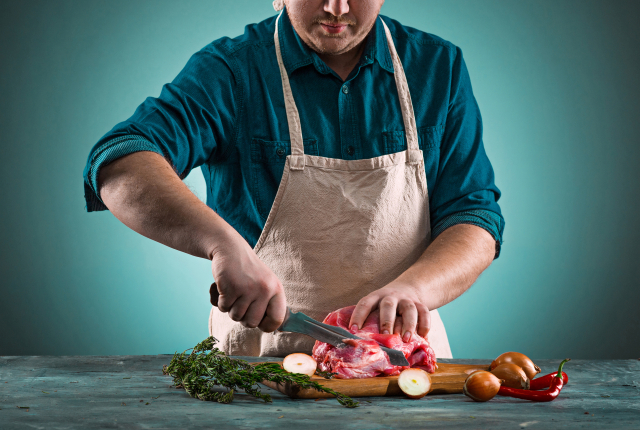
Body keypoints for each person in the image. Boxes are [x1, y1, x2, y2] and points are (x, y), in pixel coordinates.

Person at [82, 0, 504, 359]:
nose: (336, 8)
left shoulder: (437, 67)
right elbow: (120, 162)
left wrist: (415, 289)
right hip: (260, 361)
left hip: (400, 356)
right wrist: (222, 245)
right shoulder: (230, 70)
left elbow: (474, 215)